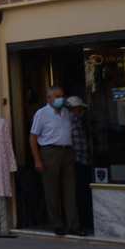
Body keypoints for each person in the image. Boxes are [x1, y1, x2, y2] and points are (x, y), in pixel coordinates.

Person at [29, 86, 80, 236]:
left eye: (62, 96)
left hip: (67, 151)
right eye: (57, 96)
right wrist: (37, 160)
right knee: (51, 190)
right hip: (50, 152)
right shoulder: (42, 114)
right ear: (49, 98)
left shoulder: (65, 113)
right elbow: (32, 137)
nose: (60, 99)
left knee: (70, 189)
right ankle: (56, 224)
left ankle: (73, 225)